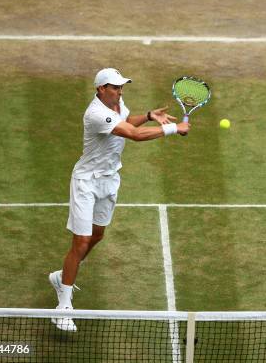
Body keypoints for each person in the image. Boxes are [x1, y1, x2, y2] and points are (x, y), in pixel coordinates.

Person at [49, 68, 190, 331]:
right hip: (86, 182)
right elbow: (133, 136)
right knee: (80, 241)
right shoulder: (96, 114)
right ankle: (63, 307)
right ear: (101, 89)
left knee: (96, 236)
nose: (120, 91)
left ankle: (62, 277)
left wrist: (148, 116)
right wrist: (173, 128)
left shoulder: (117, 104)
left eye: (121, 86)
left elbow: (128, 123)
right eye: (115, 87)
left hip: (110, 179)